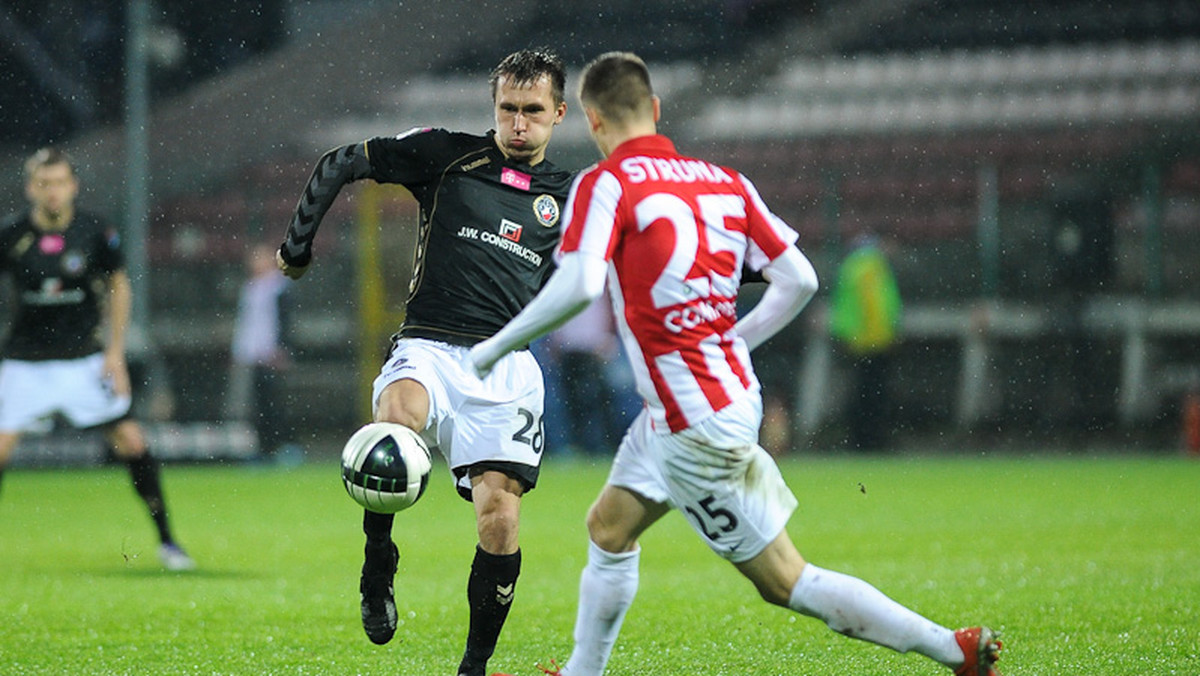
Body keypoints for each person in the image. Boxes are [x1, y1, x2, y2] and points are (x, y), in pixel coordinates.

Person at [469, 52, 1003, 676]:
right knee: (609, 528)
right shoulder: (726, 181)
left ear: (591, 120)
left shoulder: (606, 182)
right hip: (701, 404)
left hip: (693, 425)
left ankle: (953, 649)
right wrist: (737, 342)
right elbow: (798, 279)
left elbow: (583, 282)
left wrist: (497, 344)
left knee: (784, 580)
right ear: (656, 111)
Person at [275, 49, 574, 676]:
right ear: (494, 109)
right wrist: (297, 248)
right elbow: (342, 162)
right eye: (508, 110)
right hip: (429, 347)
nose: (519, 124)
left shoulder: (570, 196)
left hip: (506, 368)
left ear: (560, 114)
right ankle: (377, 560)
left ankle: (472, 667)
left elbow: (642, 252)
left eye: (533, 112)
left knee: (500, 521)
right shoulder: (446, 154)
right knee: (393, 423)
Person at [0, 147, 195, 572]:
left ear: (73, 186)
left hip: (83, 358)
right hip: (24, 359)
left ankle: (168, 542)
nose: (52, 192)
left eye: (59, 182)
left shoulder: (94, 231)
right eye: (43, 183)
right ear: (31, 188)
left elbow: (119, 286)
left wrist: (114, 353)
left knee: (133, 442)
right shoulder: (11, 235)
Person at [829, 231, 903, 450]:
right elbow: (879, 306)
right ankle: (871, 441)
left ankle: (858, 440)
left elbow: (844, 303)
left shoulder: (852, 264)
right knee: (873, 394)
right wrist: (887, 333)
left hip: (856, 339)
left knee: (861, 392)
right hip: (872, 341)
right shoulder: (873, 266)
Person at [229, 242, 298, 463]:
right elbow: (247, 323)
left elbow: (286, 322)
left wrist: (283, 349)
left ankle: (285, 446)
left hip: (272, 355)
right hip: (254, 354)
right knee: (259, 404)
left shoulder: (279, 287)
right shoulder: (250, 288)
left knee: (276, 403)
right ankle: (264, 448)